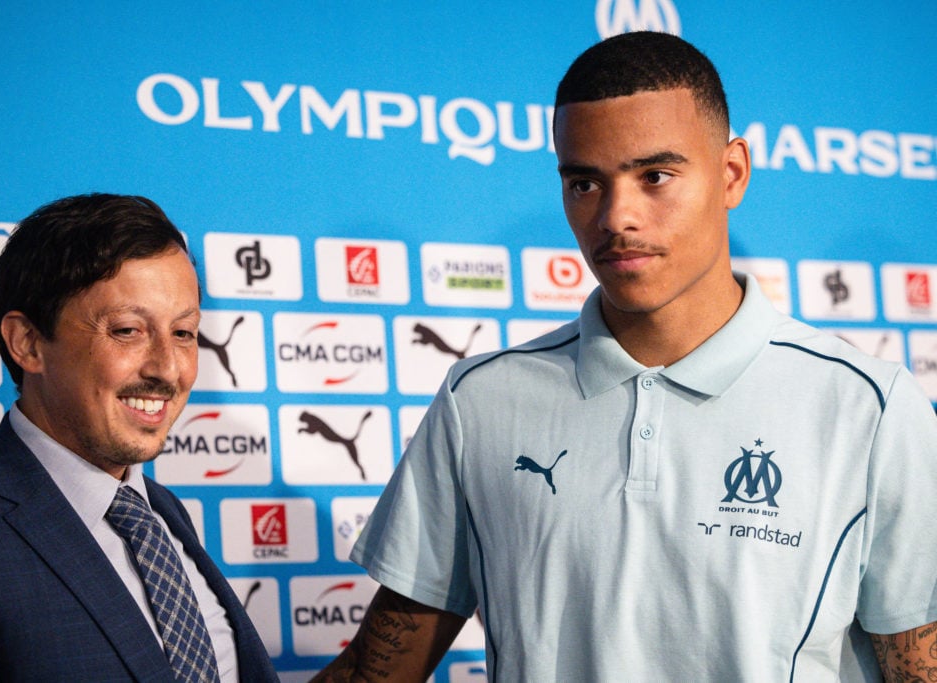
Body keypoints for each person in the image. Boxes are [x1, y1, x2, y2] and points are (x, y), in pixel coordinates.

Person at [314, 32, 937, 682]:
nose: (617, 216)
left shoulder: (870, 409)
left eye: (655, 176)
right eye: (585, 182)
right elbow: (375, 670)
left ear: (732, 174)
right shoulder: (479, 402)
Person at [0, 194, 278, 682]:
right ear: (28, 343)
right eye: (128, 330)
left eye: (185, 333)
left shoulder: (161, 514)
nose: (167, 368)